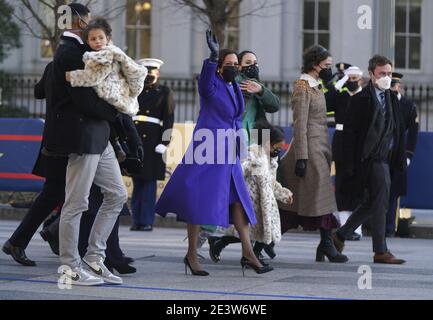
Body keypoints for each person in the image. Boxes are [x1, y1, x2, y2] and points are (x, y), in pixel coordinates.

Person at [154, 30, 273, 277]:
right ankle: (191, 254)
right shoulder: (211, 84)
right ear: (219, 67)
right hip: (208, 150)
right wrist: (211, 57)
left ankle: (248, 253)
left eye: (235, 65)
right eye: (228, 64)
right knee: (199, 199)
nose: (232, 68)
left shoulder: (234, 87)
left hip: (228, 151)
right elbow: (205, 81)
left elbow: (239, 117)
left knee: (240, 201)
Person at [46, 4, 128, 286]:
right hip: (82, 136)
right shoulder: (70, 52)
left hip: (97, 136)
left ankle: (94, 258)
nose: (88, 25)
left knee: (117, 195)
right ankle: (69, 266)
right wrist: (116, 111)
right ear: (78, 21)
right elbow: (84, 99)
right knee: (76, 203)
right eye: (86, 20)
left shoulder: (85, 50)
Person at [333, 55, 406, 264]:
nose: (386, 77)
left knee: (371, 203)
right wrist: (349, 165)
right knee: (380, 203)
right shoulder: (359, 99)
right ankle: (380, 251)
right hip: (368, 159)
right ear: (372, 74)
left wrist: (399, 157)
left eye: (389, 73)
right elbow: (350, 134)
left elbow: (396, 130)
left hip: (385, 158)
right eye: (382, 73)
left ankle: (339, 235)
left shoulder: (391, 98)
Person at [278, 45, 348, 263]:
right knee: (319, 196)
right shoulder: (302, 87)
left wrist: (332, 84)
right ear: (315, 64)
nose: (329, 69)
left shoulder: (317, 86)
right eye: (327, 65)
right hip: (308, 148)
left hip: (320, 147)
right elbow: (299, 124)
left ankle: (263, 242)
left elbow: (339, 108)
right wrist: (301, 156)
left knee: (302, 202)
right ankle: (326, 245)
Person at [209, 121, 293, 263]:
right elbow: (239, 171)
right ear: (267, 143)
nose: (277, 151)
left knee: (265, 230)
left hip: (266, 203)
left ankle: (253, 254)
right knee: (247, 231)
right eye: (276, 148)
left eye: (279, 149)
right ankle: (222, 243)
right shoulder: (253, 154)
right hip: (251, 201)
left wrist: (284, 194)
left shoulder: (272, 160)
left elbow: (271, 182)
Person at [65, 18, 147, 116]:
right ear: (88, 41)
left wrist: (70, 76)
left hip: (115, 101)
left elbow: (94, 77)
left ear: (107, 39)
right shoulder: (112, 52)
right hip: (121, 100)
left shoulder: (104, 55)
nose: (97, 41)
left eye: (101, 38)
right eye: (93, 39)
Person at [130, 58, 175, 232]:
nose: (149, 75)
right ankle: (136, 220)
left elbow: (168, 119)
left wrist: (164, 142)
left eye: (152, 72)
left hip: (154, 142)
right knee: (136, 182)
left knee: (148, 184)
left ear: (158, 73)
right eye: (146, 72)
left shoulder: (164, 92)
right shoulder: (135, 90)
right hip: (136, 140)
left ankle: (146, 221)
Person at [325, 66, 364, 241]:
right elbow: (325, 103)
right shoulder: (341, 96)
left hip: (359, 144)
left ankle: (356, 228)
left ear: (361, 80)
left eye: (355, 78)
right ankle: (343, 226)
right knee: (341, 184)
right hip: (342, 142)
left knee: (358, 186)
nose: (352, 81)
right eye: (349, 78)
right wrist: (337, 83)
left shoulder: (366, 97)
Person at [386, 72, 419, 237]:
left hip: (398, 153)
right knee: (378, 191)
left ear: (400, 86)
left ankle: (390, 227)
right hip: (382, 152)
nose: (392, 87)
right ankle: (376, 226)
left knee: (394, 193)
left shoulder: (408, 105)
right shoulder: (381, 101)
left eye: (394, 85)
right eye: (390, 84)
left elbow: (413, 133)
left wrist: (408, 155)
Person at [236, 51, 280, 144]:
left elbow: (275, 106)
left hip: (257, 137)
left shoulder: (258, 85)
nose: (253, 66)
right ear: (239, 66)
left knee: (259, 158)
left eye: (255, 63)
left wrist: (261, 91)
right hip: (238, 134)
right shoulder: (234, 83)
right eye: (248, 63)